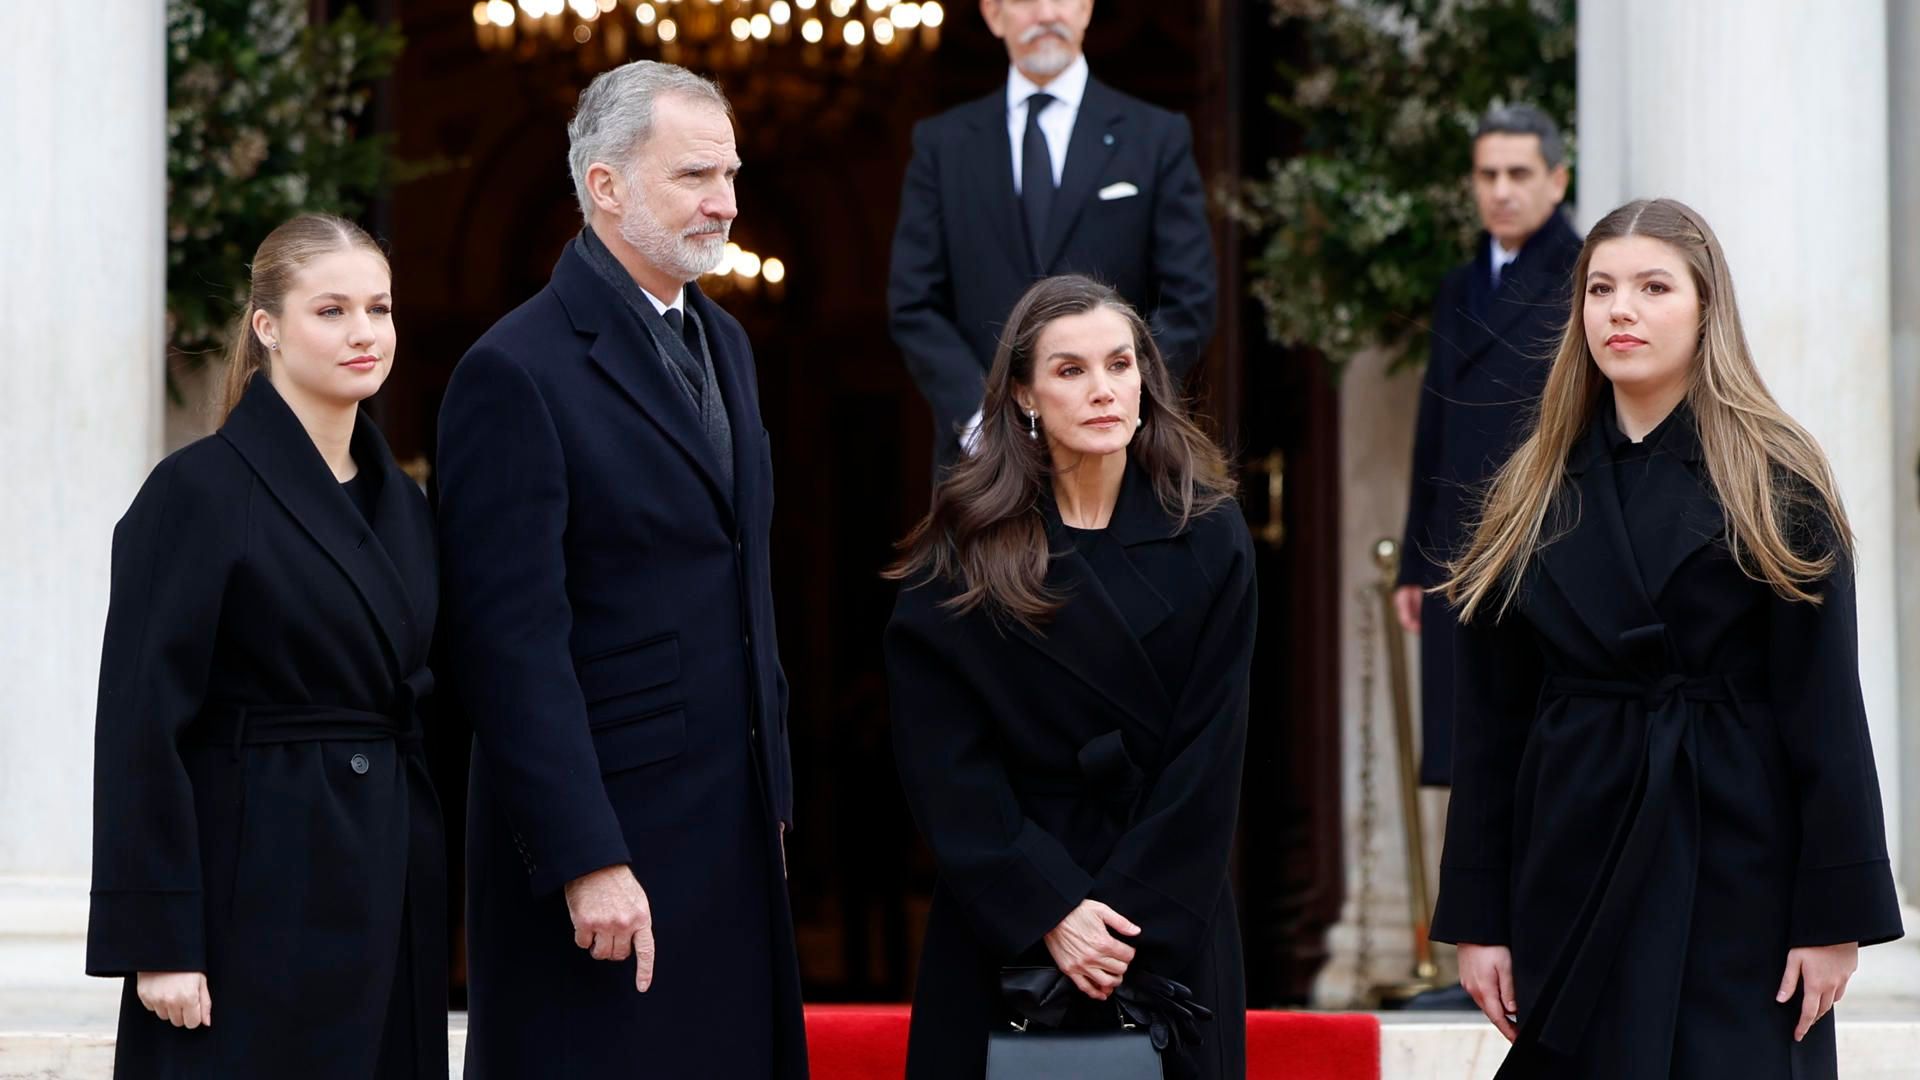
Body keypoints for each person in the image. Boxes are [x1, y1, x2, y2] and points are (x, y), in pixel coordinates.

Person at [1430, 198, 1904, 1079]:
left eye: (1653, 286)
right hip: (1572, 844)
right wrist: (1479, 919)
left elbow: (1826, 710)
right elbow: (1490, 728)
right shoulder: (1529, 489)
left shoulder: (1775, 479)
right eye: (1601, 288)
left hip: (1737, 856)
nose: (1621, 310)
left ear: (1704, 308)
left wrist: (1833, 918)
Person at [436, 61, 806, 1078]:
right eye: (694, 176)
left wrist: (770, 790)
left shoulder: (726, 341)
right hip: (605, 849)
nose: (724, 202)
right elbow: (508, 647)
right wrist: (587, 857)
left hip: (730, 827)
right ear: (605, 185)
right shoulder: (513, 370)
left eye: (729, 174)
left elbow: (742, 585)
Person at [86, 214, 446, 1078]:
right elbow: (140, 727)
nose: (364, 332)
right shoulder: (197, 492)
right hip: (250, 894)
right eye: (331, 310)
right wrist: (161, 939)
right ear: (268, 327)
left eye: (379, 308)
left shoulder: (410, 508)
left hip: (386, 880)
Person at [885, 274, 1255, 1079]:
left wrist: (1119, 921)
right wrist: (1047, 905)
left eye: (1120, 365)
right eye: (1070, 370)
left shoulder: (1211, 534)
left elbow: (1212, 751)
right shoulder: (964, 547)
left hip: (1165, 913)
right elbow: (944, 762)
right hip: (1008, 913)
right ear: (1022, 394)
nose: (1103, 391)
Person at [888, 0, 1216, 469]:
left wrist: (1121, 402)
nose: (1046, 13)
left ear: (1086, 8)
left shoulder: (1156, 137)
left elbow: (1190, 299)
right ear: (992, 14)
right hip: (982, 463)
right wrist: (982, 419)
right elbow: (914, 302)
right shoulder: (942, 145)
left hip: (1122, 455)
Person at [1394, 104, 1581, 786]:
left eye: (1518, 173)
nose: (1500, 190)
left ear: (1557, 181)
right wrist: (1414, 562)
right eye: (1487, 174)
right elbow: (1433, 432)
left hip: (1542, 537)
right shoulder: (1459, 284)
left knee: (1538, 755)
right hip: (1456, 546)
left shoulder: (1583, 275)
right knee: (1469, 757)